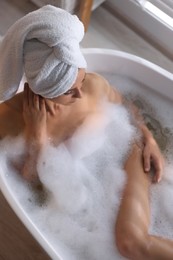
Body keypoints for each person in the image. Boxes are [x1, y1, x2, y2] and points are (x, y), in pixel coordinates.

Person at [0, 5, 171, 260]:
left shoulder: (91, 84)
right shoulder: (10, 123)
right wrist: (37, 134)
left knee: (132, 243)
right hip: (89, 189)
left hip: (126, 153)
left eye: (80, 79)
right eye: (70, 91)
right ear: (42, 87)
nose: (80, 92)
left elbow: (122, 105)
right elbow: (29, 185)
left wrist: (148, 138)